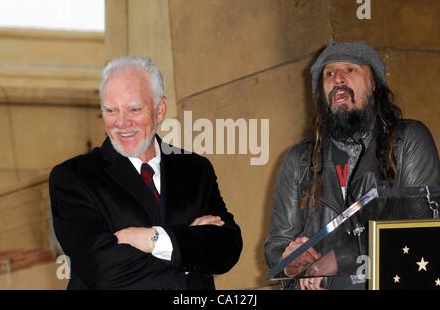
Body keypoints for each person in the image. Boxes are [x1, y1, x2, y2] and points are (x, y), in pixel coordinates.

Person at [50, 55, 242, 289]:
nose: (122, 123)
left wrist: (152, 240)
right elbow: (104, 270)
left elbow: (227, 248)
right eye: (111, 111)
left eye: (134, 109)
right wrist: (187, 245)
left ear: (160, 110)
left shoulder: (195, 170)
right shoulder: (73, 177)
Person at [265, 41, 439, 290]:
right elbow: (277, 246)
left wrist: (338, 258)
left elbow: (419, 228)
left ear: (375, 83)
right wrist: (290, 260)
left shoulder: (407, 140)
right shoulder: (298, 160)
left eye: (350, 69)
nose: (337, 79)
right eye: (328, 74)